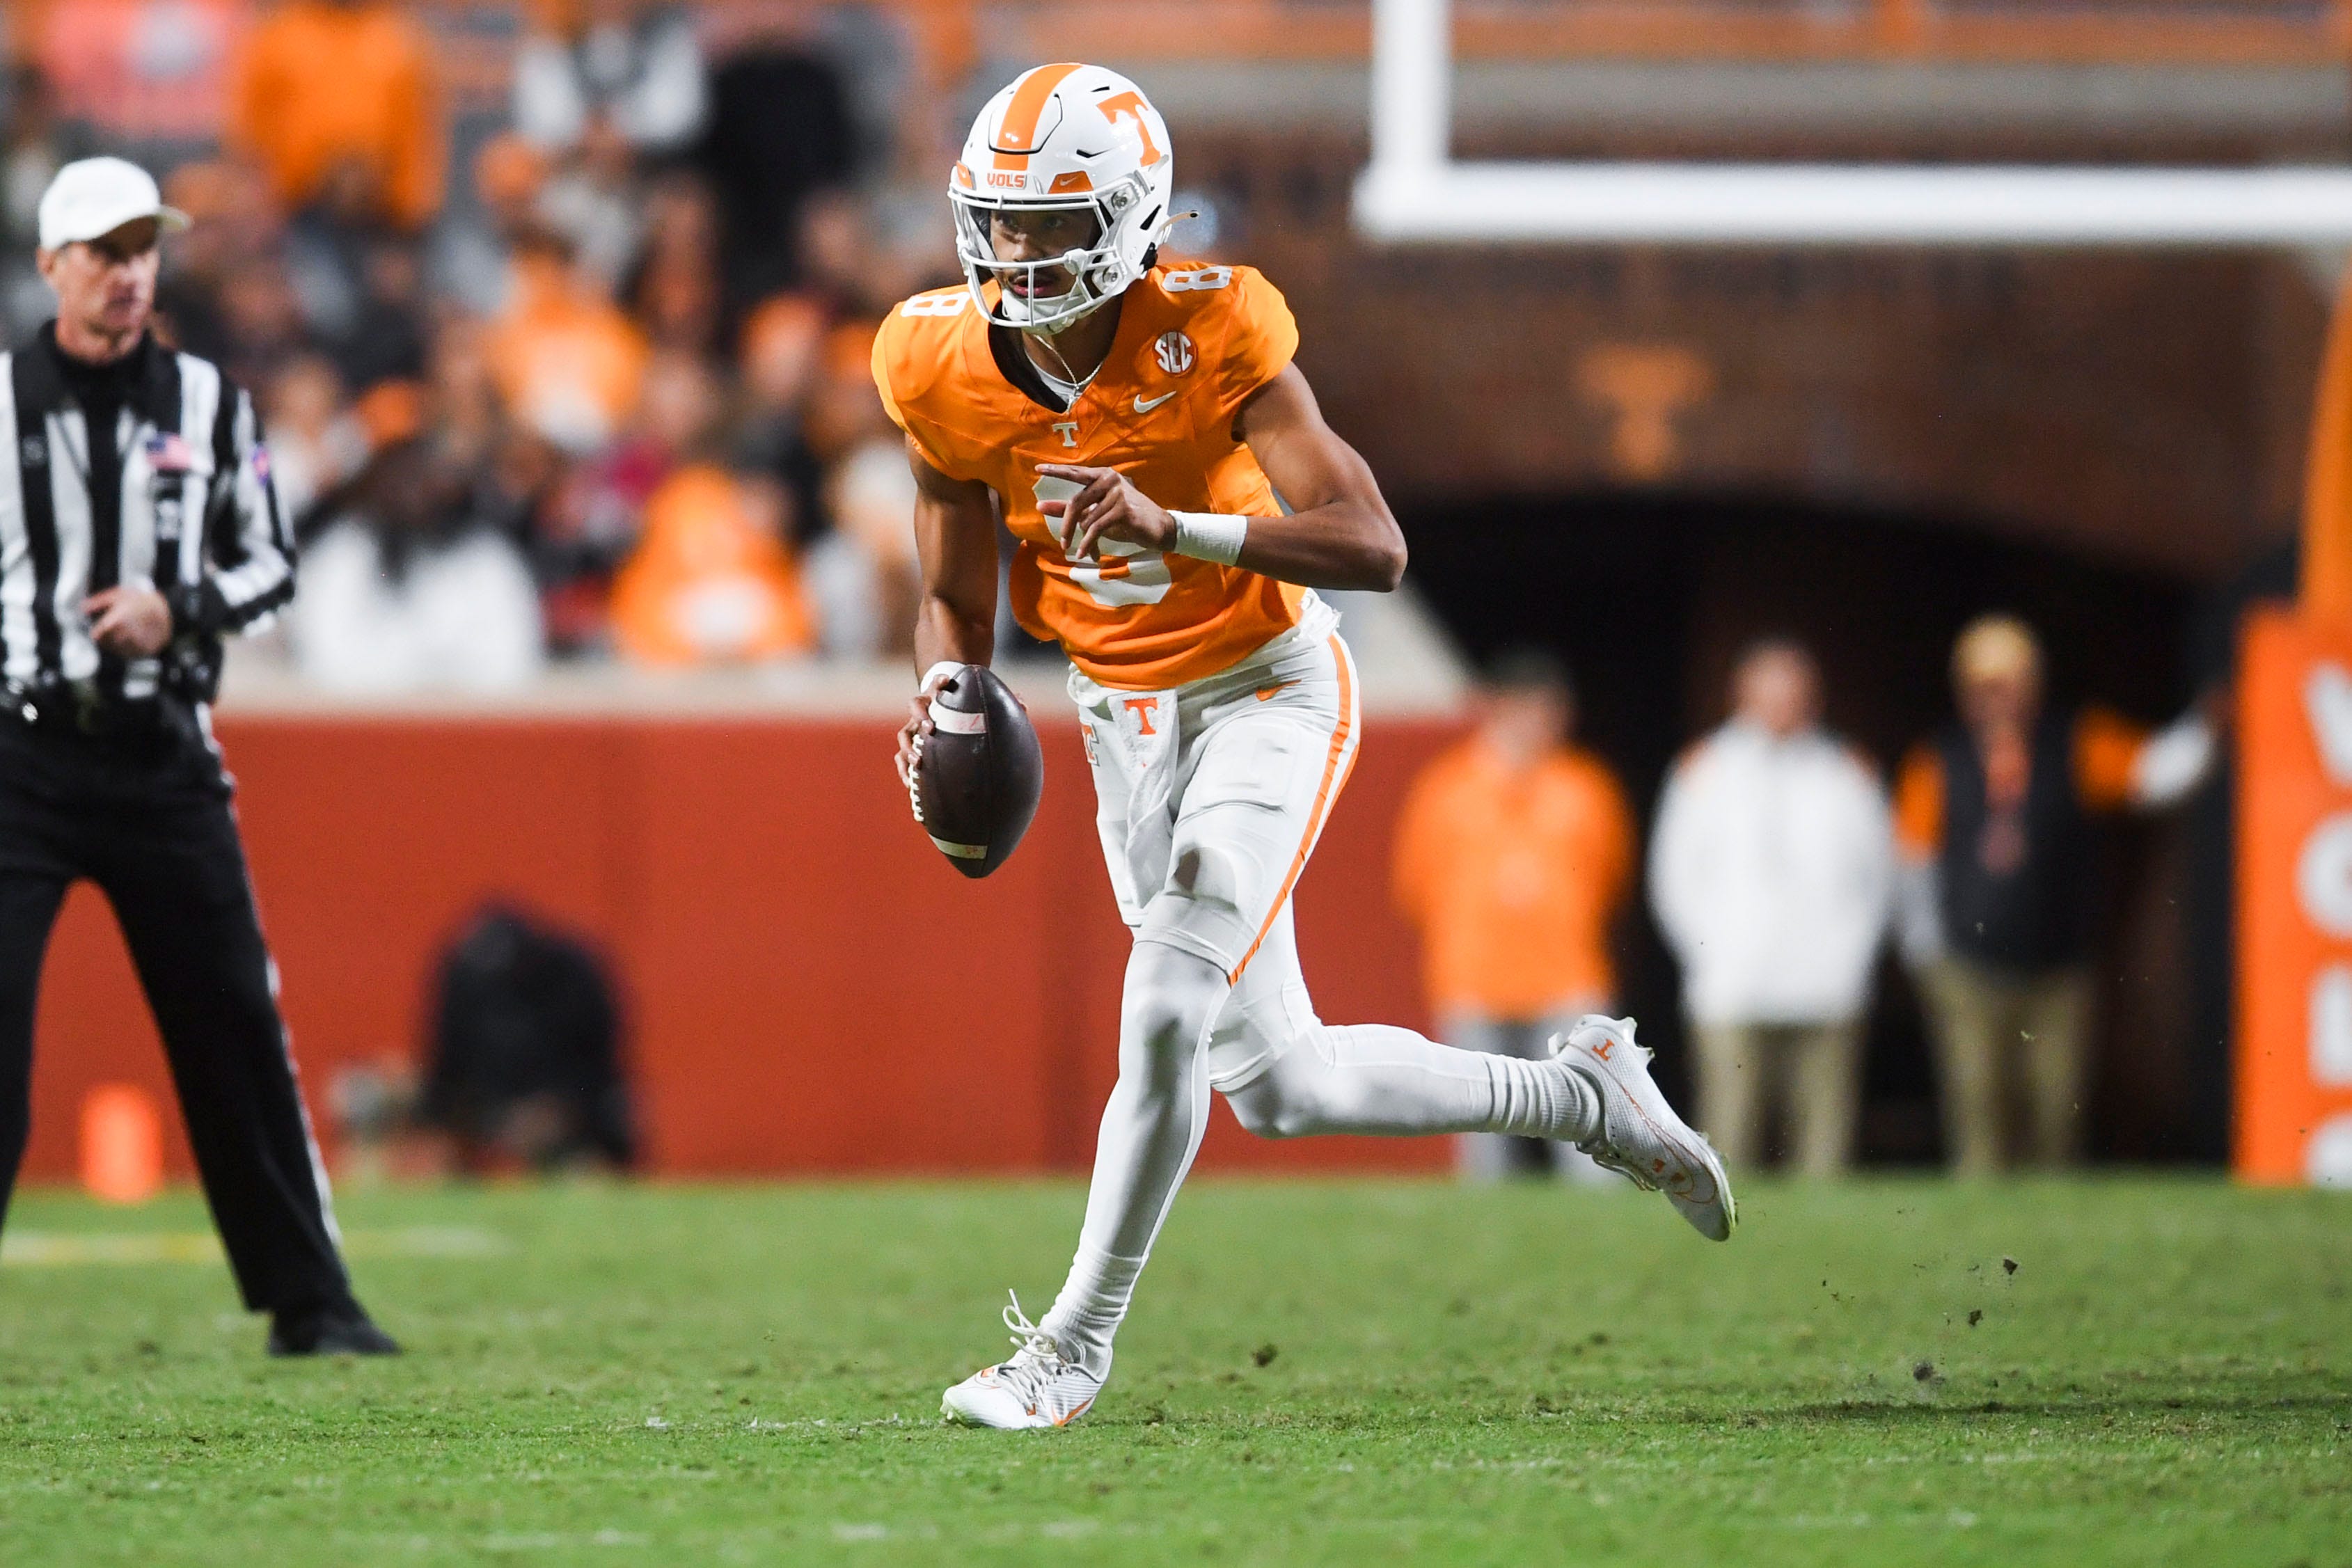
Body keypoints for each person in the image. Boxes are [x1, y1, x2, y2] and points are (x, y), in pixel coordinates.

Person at [876, 64, 1734, 1431]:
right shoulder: (930, 360)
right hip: (1120, 719)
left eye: (1054, 222)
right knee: (1279, 1083)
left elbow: (1374, 543)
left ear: (1131, 216)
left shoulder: (1212, 328)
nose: (1022, 251)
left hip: (1266, 687)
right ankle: (1585, 1097)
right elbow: (949, 593)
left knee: (1162, 1005)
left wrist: (1180, 530)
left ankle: (1070, 1348)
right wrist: (952, 696)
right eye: (1003, 220)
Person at [0, 157, 395, 1354]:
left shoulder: (211, 404)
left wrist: (179, 606)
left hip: (166, 754)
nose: (128, 275)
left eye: (142, 251)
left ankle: (309, 1301)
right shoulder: (2, 402)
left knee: (231, 1022)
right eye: (104, 253)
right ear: (51, 266)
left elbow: (271, 562)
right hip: (22, 757)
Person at [1895, 615, 2213, 1175]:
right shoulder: (1936, 761)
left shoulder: (2076, 741)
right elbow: (1912, 864)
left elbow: (2157, 774)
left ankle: (2051, 1223)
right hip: (1968, 967)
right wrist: (1925, 953)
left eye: (2009, 682)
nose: (1997, 697)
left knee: (2054, 1102)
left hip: (2058, 965)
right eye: (1985, 685)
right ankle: (1981, 1228)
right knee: (1977, 1101)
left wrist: (2208, 726)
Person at [1650, 640, 1894, 1176]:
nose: (1781, 706)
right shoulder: (1704, 768)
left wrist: (1850, 956)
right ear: (1741, 696)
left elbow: (1878, 876)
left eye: (1793, 694)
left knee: (1822, 1136)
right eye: (1768, 693)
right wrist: (1710, 955)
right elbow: (1672, 878)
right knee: (1730, 1132)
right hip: (1732, 983)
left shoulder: (1846, 770)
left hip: (1826, 984)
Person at [1391, 651, 1634, 1180]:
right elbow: (1414, 885)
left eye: (1545, 710)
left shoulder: (1586, 787)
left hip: (1567, 977)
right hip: (1473, 978)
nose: (1533, 722)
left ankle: (1595, 1243)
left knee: (1588, 1132)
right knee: (1482, 1137)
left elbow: (1611, 876)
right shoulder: (1446, 788)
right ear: (1494, 709)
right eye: (1521, 708)